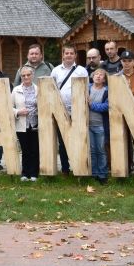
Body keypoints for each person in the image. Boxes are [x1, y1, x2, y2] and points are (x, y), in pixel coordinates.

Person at [50, 44, 88, 175]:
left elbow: (86, 89)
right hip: (61, 110)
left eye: (72, 53)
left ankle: (79, 166)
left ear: (75, 55)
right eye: (67, 53)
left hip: (78, 110)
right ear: (63, 55)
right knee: (63, 141)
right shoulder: (56, 71)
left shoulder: (82, 71)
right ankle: (65, 168)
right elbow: (52, 89)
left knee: (78, 139)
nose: (69, 55)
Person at [12, 65, 39, 182]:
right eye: (23, 75)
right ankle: (25, 173)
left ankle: (34, 174)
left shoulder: (38, 89)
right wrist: (18, 112)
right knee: (25, 150)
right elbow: (9, 106)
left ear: (32, 75)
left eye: (28, 75)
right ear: (21, 77)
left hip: (35, 124)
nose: (26, 77)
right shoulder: (16, 90)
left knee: (35, 150)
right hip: (22, 124)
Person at [88, 68, 109, 184]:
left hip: (100, 125)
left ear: (104, 79)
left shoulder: (107, 91)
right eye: (96, 74)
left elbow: (106, 106)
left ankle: (102, 174)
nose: (98, 76)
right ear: (93, 76)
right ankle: (94, 173)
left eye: (101, 75)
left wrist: (91, 105)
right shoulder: (86, 88)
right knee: (92, 150)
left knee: (101, 150)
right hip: (88, 125)